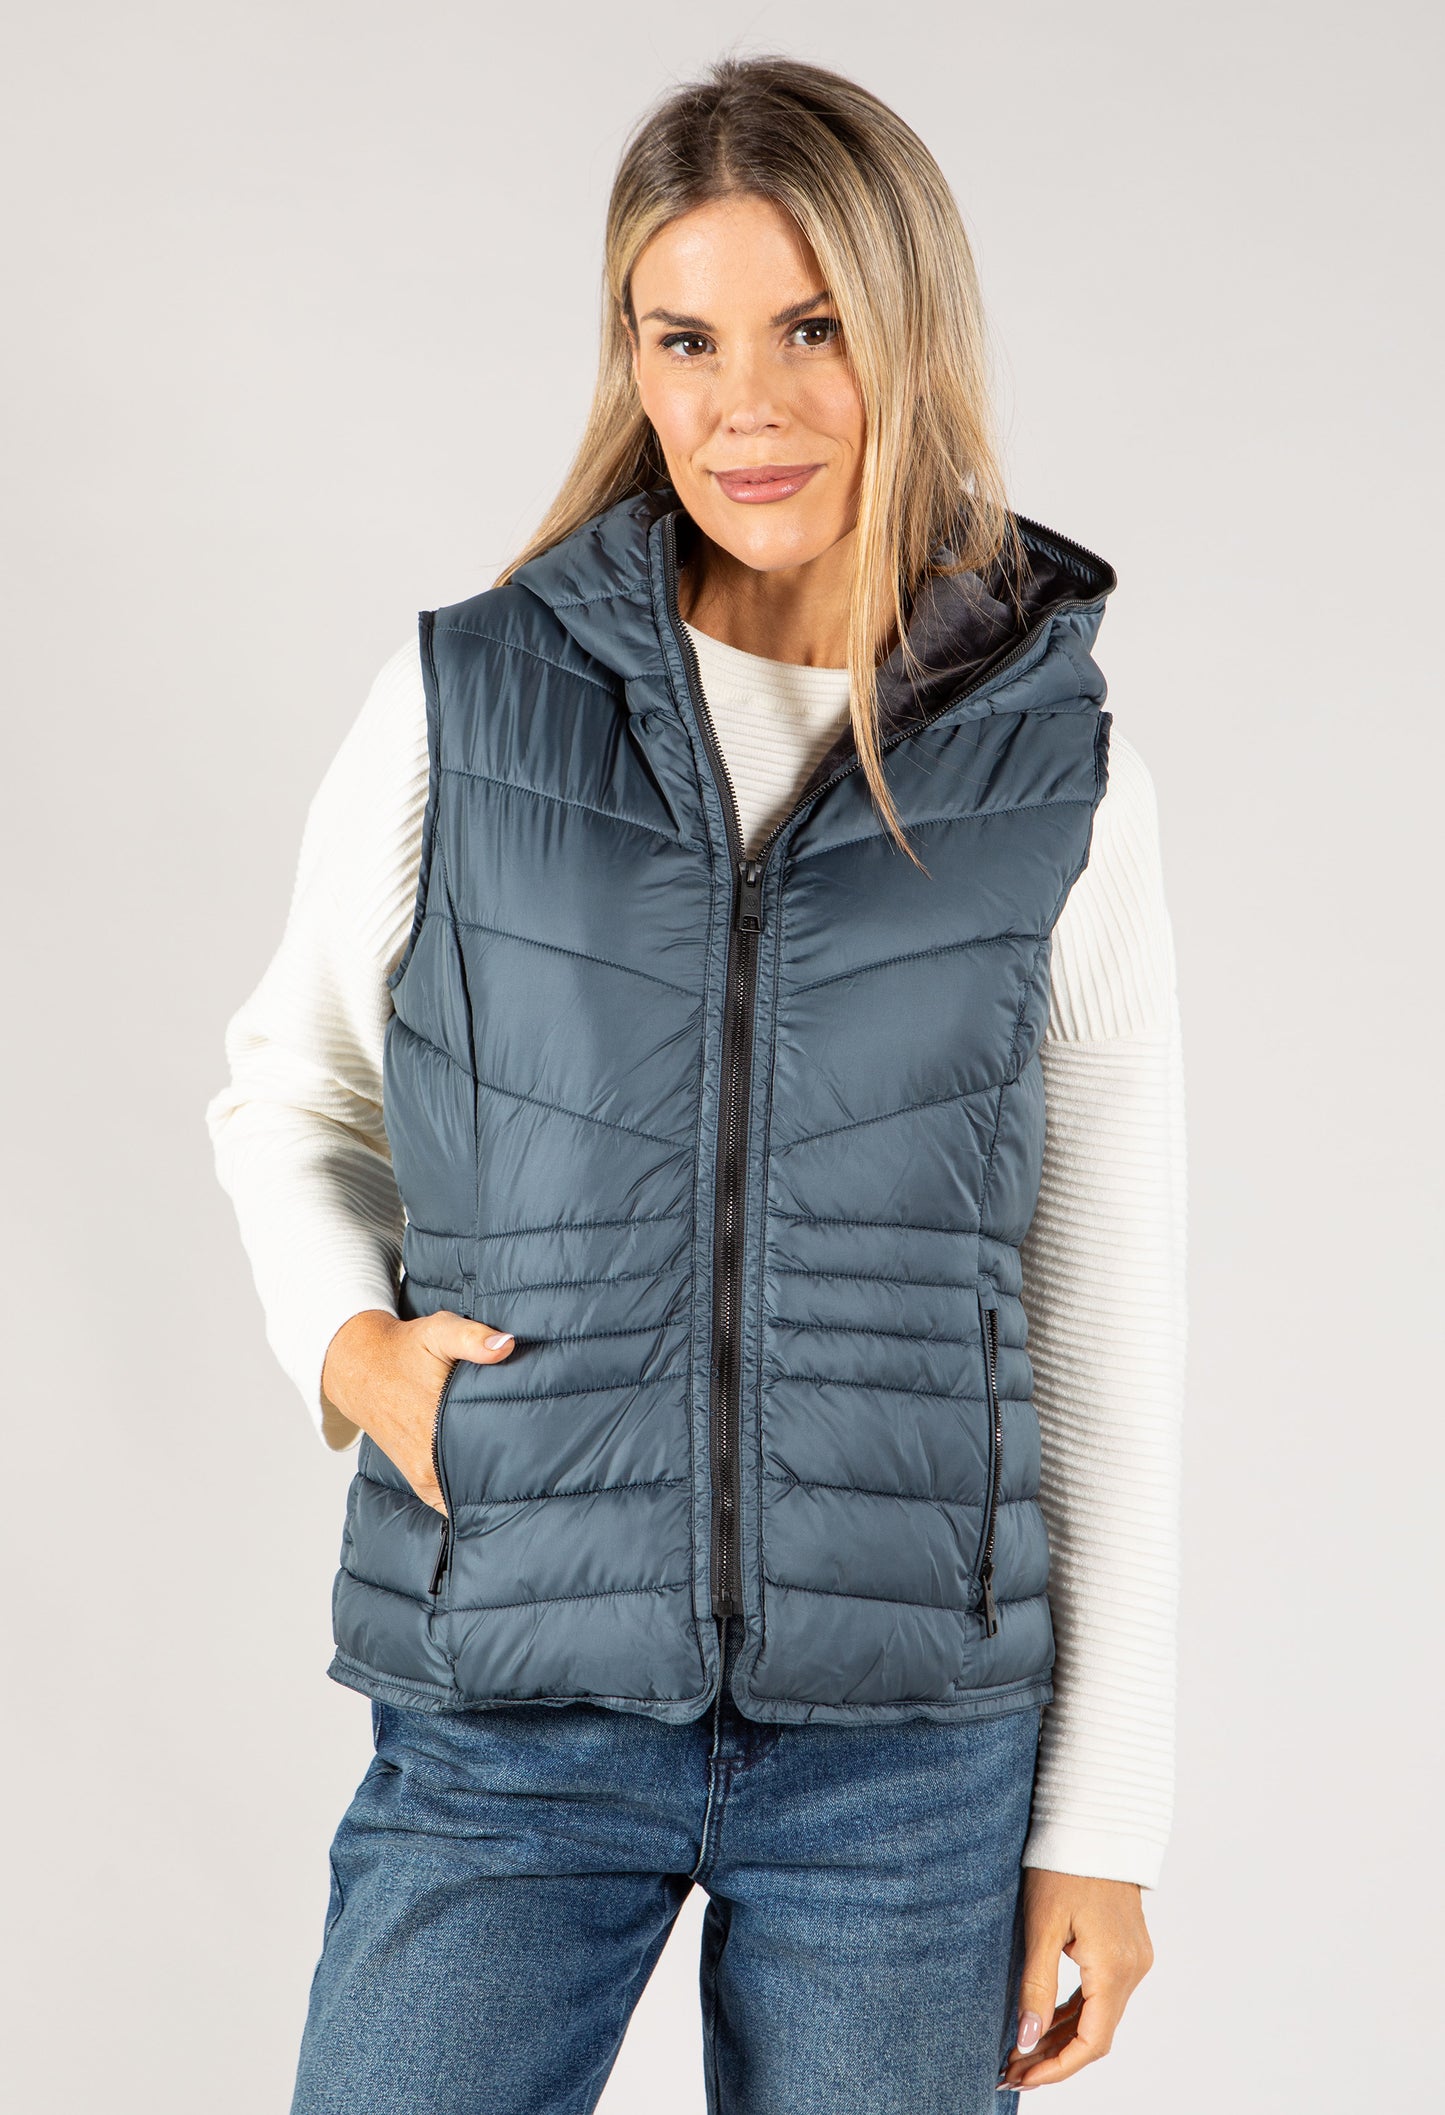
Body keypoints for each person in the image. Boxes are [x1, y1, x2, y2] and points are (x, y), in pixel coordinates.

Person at [205, 53, 1186, 2115]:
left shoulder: (1049, 758)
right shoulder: (471, 696)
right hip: (513, 1699)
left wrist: (1104, 1816)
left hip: (907, 1754)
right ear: (629, 358)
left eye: (812, 329)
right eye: (687, 339)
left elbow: (1104, 1293)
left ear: (910, 330)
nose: (749, 404)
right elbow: (290, 1087)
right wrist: (352, 1350)